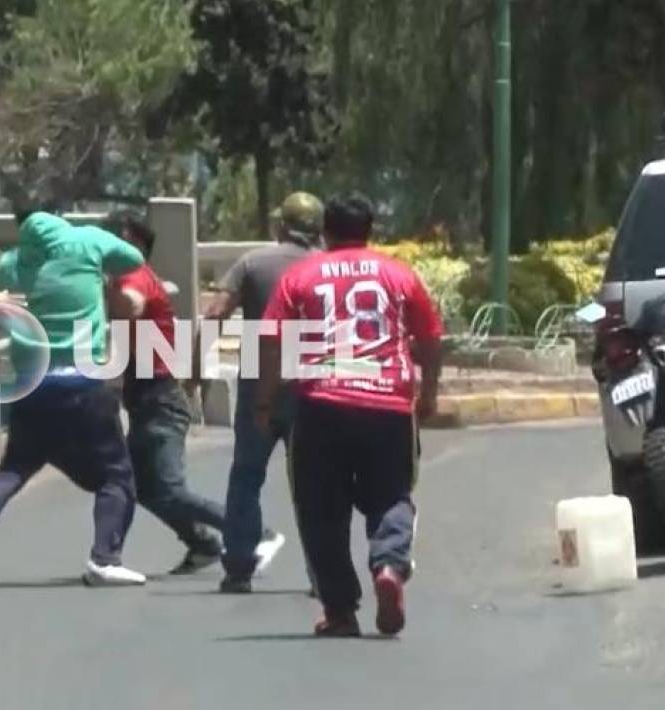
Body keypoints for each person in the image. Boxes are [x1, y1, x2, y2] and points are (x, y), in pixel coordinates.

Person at [0, 204, 151, 588]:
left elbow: (3, 279)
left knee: (13, 469)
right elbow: (134, 258)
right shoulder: (88, 241)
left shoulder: (13, 263)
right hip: (85, 382)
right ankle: (105, 558)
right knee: (117, 474)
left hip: (32, 386)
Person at [255, 195, 443, 637]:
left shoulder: (300, 275)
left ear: (326, 232)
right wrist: (429, 392)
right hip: (389, 406)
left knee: (321, 509)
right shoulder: (399, 273)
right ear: (370, 230)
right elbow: (431, 337)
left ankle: (340, 610)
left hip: (322, 404)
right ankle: (391, 567)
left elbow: (270, 339)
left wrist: (264, 401)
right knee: (392, 494)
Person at [204, 192, 322, 594]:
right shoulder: (327, 267)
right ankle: (322, 573)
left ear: (281, 227)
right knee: (313, 483)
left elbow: (217, 311)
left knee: (247, 474)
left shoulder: (253, 263)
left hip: (258, 382)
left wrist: (194, 364)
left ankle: (238, 567)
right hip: (312, 385)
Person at [104, 210, 230, 574]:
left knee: (169, 489)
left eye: (116, 237)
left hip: (160, 399)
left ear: (135, 243)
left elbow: (132, 303)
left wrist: (111, 297)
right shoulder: (130, 275)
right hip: (147, 398)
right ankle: (203, 542)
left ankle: (250, 532)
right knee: (139, 486)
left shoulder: (133, 275)